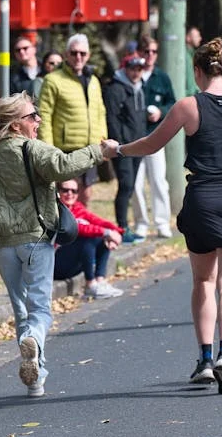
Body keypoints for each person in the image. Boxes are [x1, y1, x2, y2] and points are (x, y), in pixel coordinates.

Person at [102, 38, 222, 394]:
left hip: (203, 200)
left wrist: (117, 150)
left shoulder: (188, 107)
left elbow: (150, 144)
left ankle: (205, 360)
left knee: (204, 282)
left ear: (197, 71)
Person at [0, 92, 106, 398]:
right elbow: (64, 165)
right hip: (35, 238)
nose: (37, 121)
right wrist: (98, 151)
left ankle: (36, 380)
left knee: (21, 307)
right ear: (15, 124)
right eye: (31, 116)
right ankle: (34, 342)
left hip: (0, 243)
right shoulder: (31, 149)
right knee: (40, 309)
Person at [38, 34, 107, 206]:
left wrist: (102, 143)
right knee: (67, 195)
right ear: (66, 54)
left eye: (83, 53)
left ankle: (82, 231)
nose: (78, 57)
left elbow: (100, 112)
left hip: (91, 147)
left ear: (88, 56)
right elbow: (44, 115)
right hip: (66, 149)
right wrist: (47, 148)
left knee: (86, 194)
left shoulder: (94, 81)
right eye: (74, 52)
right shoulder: (53, 79)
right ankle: (65, 231)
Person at [132, 35, 175, 239]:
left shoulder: (162, 77)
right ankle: (141, 222)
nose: (150, 55)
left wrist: (160, 111)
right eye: (146, 51)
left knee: (158, 181)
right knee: (136, 183)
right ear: (139, 52)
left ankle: (162, 222)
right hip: (135, 137)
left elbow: (172, 103)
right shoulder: (132, 74)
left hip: (156, 137)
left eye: (154, 52)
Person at [54, 178, 124, 299]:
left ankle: (100, 280)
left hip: (73, 264)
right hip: (57, 264)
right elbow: (78, 228)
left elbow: (97, 221)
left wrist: (117, 232)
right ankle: (90, 285)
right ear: (58, 192)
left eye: (74, 191)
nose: (70, 194)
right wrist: (106, 232)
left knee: (101, 239)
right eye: (65, 190)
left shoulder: (77, 208)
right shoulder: (56, 211)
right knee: (88, 238)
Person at [103, 56, 147, 243]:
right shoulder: (115, 88)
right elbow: (112, 119)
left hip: (137, 145)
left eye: (140, 68)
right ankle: (122, 227)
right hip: (123, 147)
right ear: (125, 68)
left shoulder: (139, 87)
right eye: (133, 68)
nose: (137, 72)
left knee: (131, 186)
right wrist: (119, 146)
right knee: (126, 184)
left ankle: (125, 227)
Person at [186, 27, 202, 96]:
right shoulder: (184, 55)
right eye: (197, 36)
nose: (200, 38)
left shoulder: (192, 54)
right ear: (188, 37)